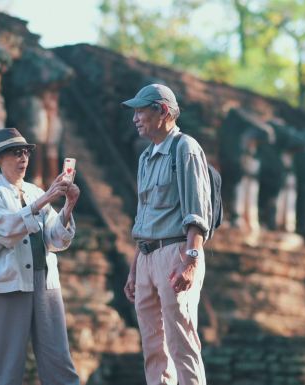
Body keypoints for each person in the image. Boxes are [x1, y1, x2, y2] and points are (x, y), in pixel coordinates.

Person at [122, 84, 212, 385]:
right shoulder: (146, 157)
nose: (135, 118)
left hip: (176, 253)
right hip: (147, 257)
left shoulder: (185, 148)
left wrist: (191, 260)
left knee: (181, 343)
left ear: (161, 111)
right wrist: (135, 269)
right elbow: (145, 217)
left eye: (141, 110)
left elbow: (197, 213)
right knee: (153, 349)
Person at [0, 127, 81, 385]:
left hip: (46, 284)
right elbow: (4, 229)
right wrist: (46, 199)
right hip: (10, 285)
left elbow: (56, 240)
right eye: (15, 153)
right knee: (6, 364)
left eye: (25, 152)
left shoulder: (35, 191)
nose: (23, 158)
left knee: (59, 359)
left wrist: (68, 206)